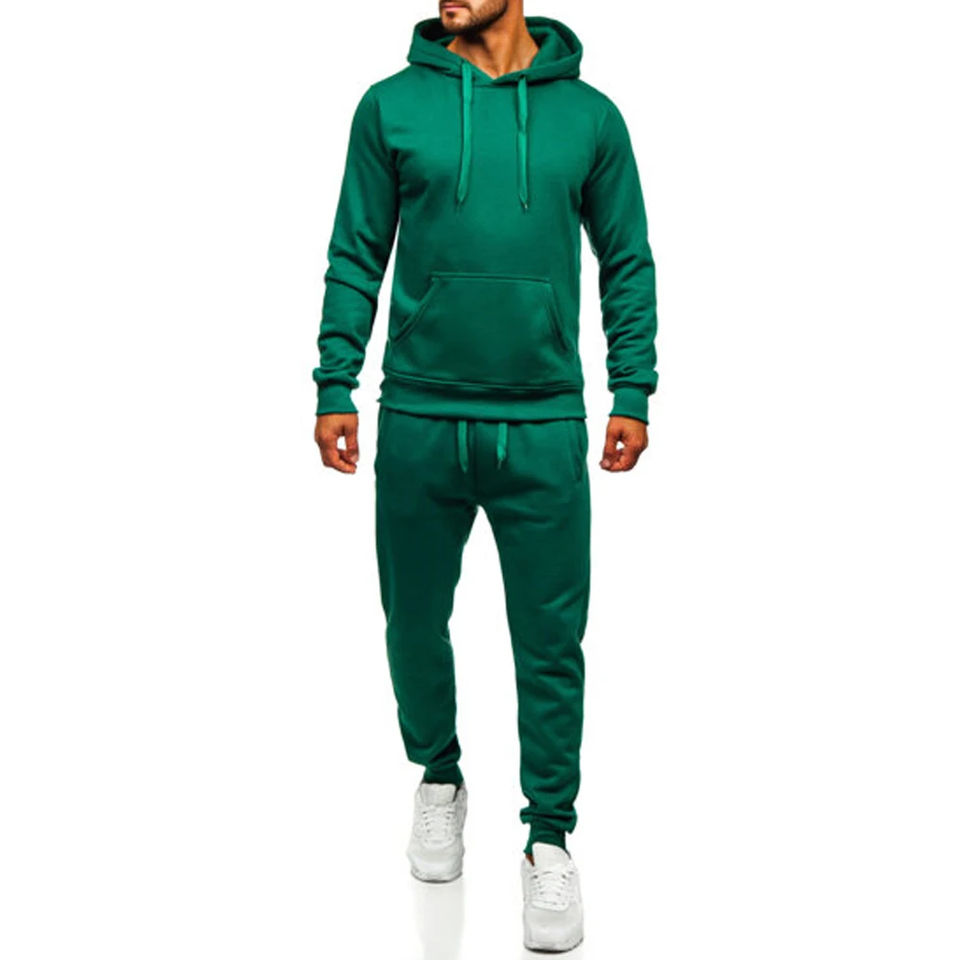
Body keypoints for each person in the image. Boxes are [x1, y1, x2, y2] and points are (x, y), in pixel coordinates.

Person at [313, 1, 657, 951]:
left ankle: (549, 837)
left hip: (544, 423)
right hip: (419, 415)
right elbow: (356, 250)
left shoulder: (590, 118)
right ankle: (438, 777)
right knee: (412, 623)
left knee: (551, 642)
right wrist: (336, 378)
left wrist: (632, 388)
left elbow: (626, 261)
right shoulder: (390, 107)